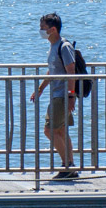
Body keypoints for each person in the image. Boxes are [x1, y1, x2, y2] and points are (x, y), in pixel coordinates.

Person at [30, 12, 79, 179]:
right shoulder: (54, 46)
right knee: (62, 131)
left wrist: (71, 96)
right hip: (57, 94)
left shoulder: (64, 46)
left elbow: (71, 71)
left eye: (43, 28)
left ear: (53, 29)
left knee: (49, 130)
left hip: (63, 95)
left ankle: (68, 166)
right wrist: (41, 88)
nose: (40, 31)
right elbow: (52, 70)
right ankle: (69, 166)